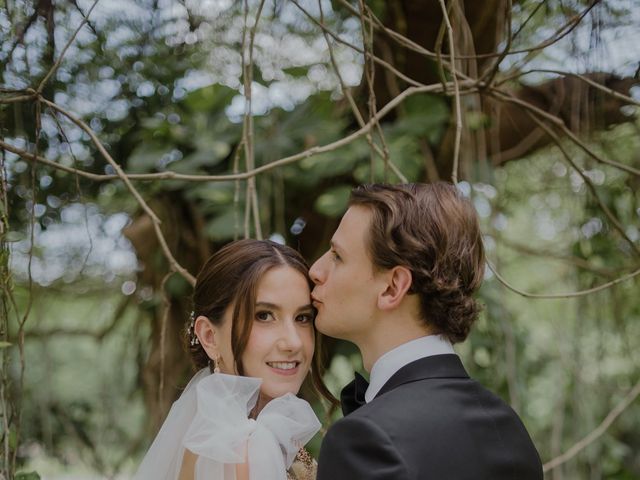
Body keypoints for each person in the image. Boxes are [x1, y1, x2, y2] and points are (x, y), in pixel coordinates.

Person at [310, 182, 543, 479]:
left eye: (337, 256)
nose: (315, 270)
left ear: (393, 287)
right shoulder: (509, 428)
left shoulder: (364, 440)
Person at [135, 239, 336, 480]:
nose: (293, 342)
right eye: (264, 316)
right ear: (209, 336)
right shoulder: (246, 448)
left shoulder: (216, 438)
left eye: (303, 317)